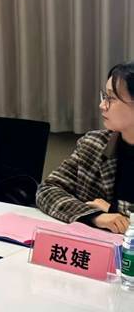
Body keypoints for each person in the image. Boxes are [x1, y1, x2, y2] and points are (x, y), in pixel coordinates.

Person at [36, 62, 134, 233]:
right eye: (104, 96)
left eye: (111, 98)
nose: (102, 105)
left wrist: (113, 209)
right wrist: (95, 215)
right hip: (94, 244)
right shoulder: (94, 144)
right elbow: (47, 190)